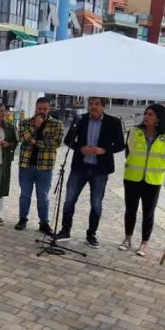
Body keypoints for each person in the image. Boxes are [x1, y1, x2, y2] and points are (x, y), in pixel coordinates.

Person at [56, 97, 126, 248]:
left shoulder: (113, 122)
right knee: (69, 200)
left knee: (96, 204)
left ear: (104, 106)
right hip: (79, 167)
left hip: (99, 170)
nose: (93, 107)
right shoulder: (80, 119)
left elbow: (121, 145)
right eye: (91, 104)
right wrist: (80, 148)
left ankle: (91, 235)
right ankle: (65, 230)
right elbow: (68, 140)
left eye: (96, 104)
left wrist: (104, 150)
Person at [120, 104, 165, 257]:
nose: (147, 117)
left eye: (151, 114)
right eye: (146, 113)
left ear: (159, 118)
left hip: (153, 180)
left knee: (148, 213)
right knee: (130, 210)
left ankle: (144, 243)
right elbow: (128, 153)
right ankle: (127, 239)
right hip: (133, 177)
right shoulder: (134, 132)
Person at [15, 97, 63, 233]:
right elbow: (23, 138)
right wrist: (36, 127)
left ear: (50, 109)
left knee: (43, 196)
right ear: (35, 108)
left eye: (45, 109)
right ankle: (22, 218)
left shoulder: (56, 124)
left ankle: (44, 223)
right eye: (39, 108)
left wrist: (36, 142)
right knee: (25, 194)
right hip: (26, 164)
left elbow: (56, 143)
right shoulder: (25, 122)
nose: (41, 111)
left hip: (45, 166)